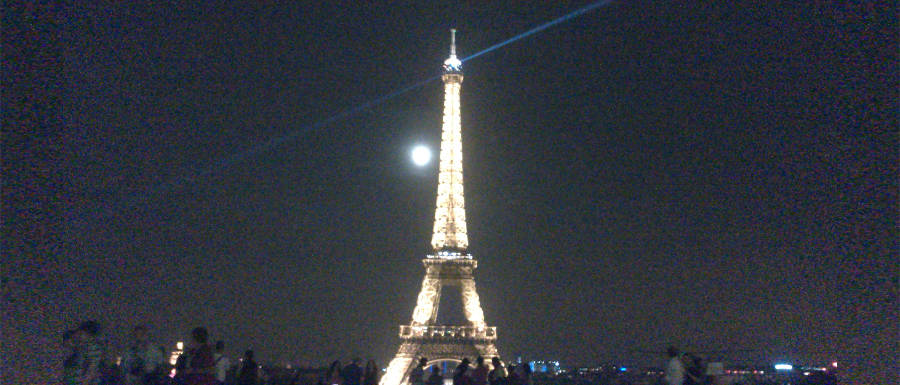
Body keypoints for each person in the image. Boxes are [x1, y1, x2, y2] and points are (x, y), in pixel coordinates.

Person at [77, 321, 105, 385]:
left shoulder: (94, 348)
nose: (80, 336)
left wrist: (84, 382)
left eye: (82, 333)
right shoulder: (84, 347)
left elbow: (92, 369)